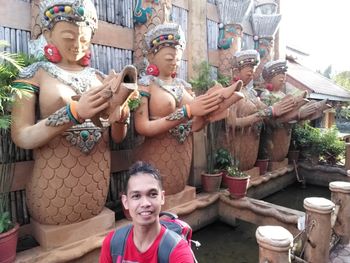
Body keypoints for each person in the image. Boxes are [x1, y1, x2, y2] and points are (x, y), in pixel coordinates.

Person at [10, 0, 131, 225]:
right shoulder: (32, 75)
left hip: (96, 181)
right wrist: (73, 112)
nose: (77, 44)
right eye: (68, 37)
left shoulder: (99, 77)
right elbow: (21, 136)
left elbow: (117, 138)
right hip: (54, 182)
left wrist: (121, 119)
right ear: (48, 34)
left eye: (84, 39)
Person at [133, 23, 243, 195]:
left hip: (182, 153)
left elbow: (193, 126)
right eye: (169, 59)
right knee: (158, 193)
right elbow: (142, 127)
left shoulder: (183, 86)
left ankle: (218, 97)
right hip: (157, 151)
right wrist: (187, 112)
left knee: (206, 103)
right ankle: (217, 97)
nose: (174, 63)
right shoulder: (145, 85)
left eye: (177, 59)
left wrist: (204, 117)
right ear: (152, 57)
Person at [99, 161, 195, 263]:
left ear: (162, 198)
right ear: (126, 202)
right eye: (136, 196)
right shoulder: (112, 243)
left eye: (152, 194)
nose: (145, 203)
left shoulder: (177, 251)